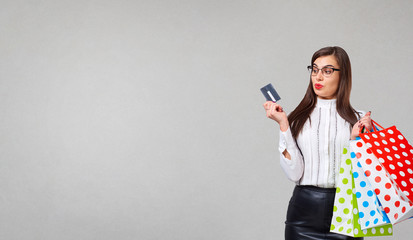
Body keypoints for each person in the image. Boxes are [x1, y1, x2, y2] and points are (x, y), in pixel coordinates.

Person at [263, 46, 372, 240]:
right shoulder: (297, 119)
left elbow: (366, 177)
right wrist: (283, 125)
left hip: (345, 212)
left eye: (327, 71)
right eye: (314, 70)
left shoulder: (360, 119)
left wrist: (357, 140)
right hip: (303, 215)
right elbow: (294, 173)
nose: (318, 77)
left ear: (343, 75)